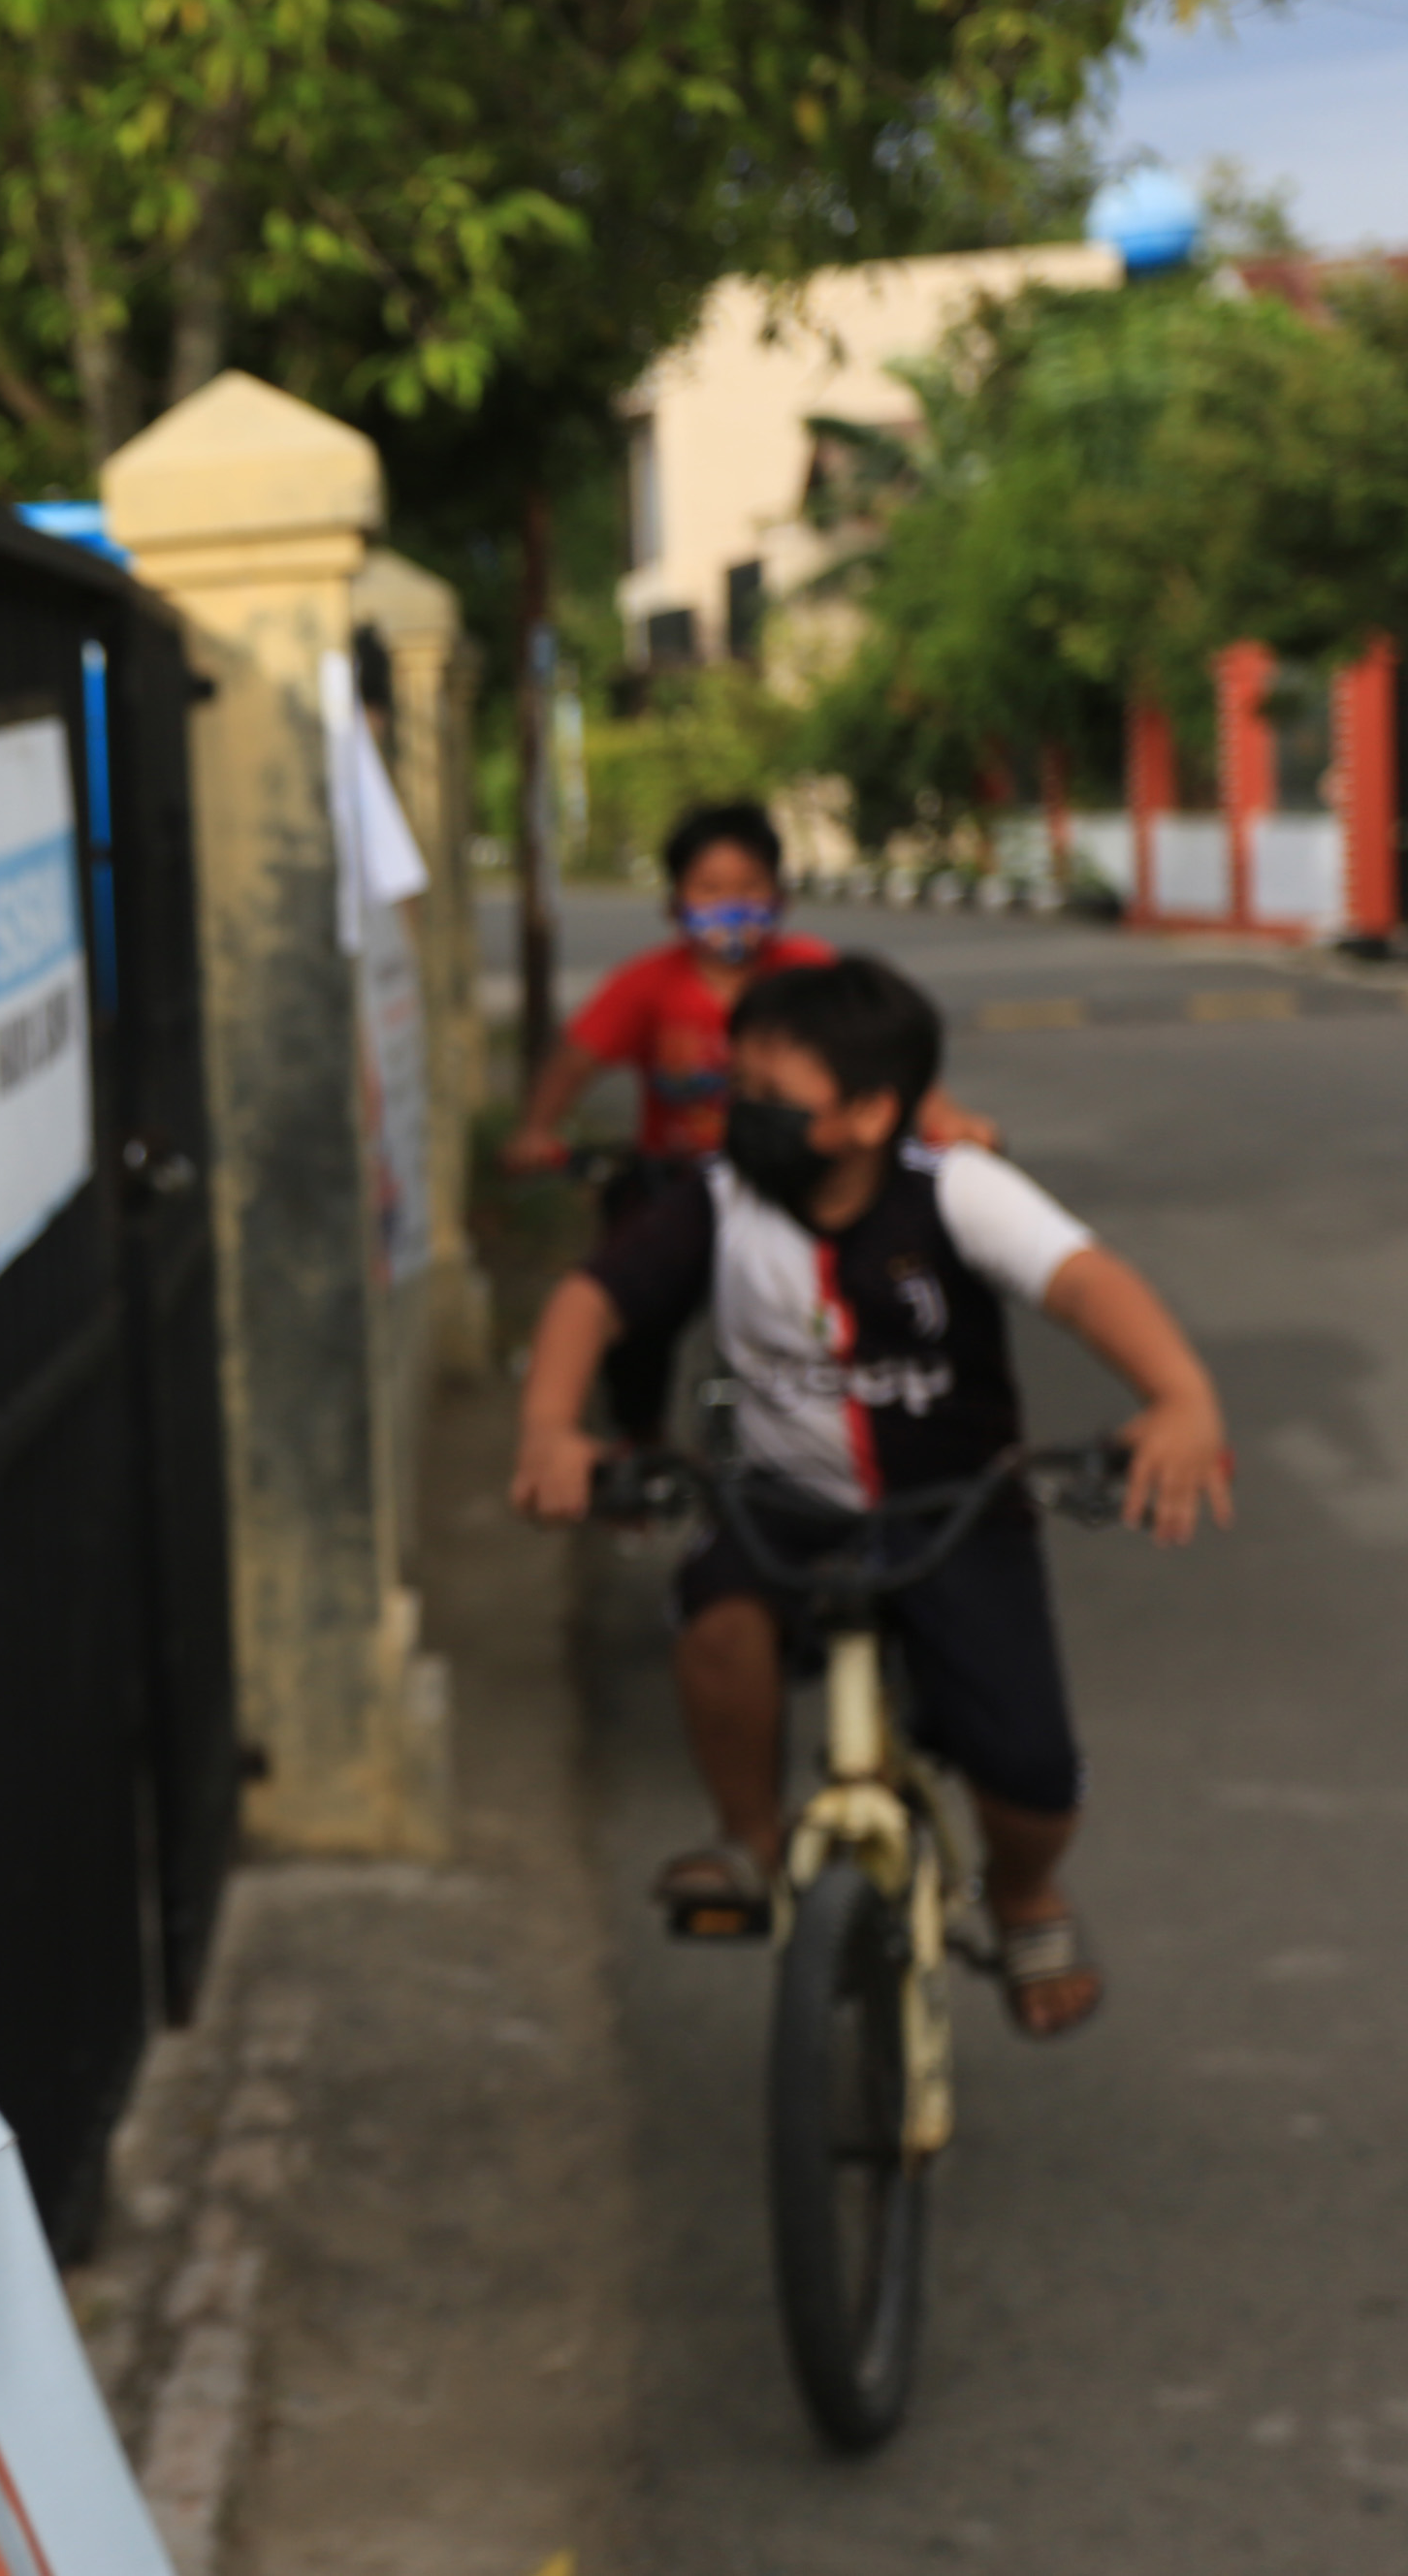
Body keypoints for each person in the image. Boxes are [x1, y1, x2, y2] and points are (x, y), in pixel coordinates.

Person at [509, 956, 1230, 2039]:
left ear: (867, 1114)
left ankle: (1026, 1894)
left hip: (954, 1510)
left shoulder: (954, 1190)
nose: (739, 1119)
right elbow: (590, 1300)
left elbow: (1086, 1283)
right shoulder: (718, 1201)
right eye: (732, 1093)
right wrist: (550, 1428)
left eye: (769, 1103)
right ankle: (748, 1837)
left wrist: (1178, 1398)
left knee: (1026, 1767)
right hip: (782, 1503)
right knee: (716, 1625)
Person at [501, 801, 995, 1443]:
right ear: (675, 902)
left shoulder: (812, 973)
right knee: (634, 1306)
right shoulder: (647, 985)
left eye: (748, 888)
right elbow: (576, 1058)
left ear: (781, 896)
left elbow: (878, 1052)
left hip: (793, 1179)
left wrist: (945, 1117)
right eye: (710, 889)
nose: (731, 906)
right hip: (680, 1180)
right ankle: (636, 1438)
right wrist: (535, 1129)